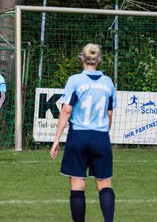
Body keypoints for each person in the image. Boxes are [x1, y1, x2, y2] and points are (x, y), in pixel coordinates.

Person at [50, 44, 116, 222]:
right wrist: (103, 132)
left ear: (82, 58)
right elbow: (110, 114)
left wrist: (56, 140)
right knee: (104, 183)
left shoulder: (75, 81)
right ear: (99, 59)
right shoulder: (108, 82)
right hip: (101, 136)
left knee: (78, 184)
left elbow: (66, 111)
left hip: (78, 136)